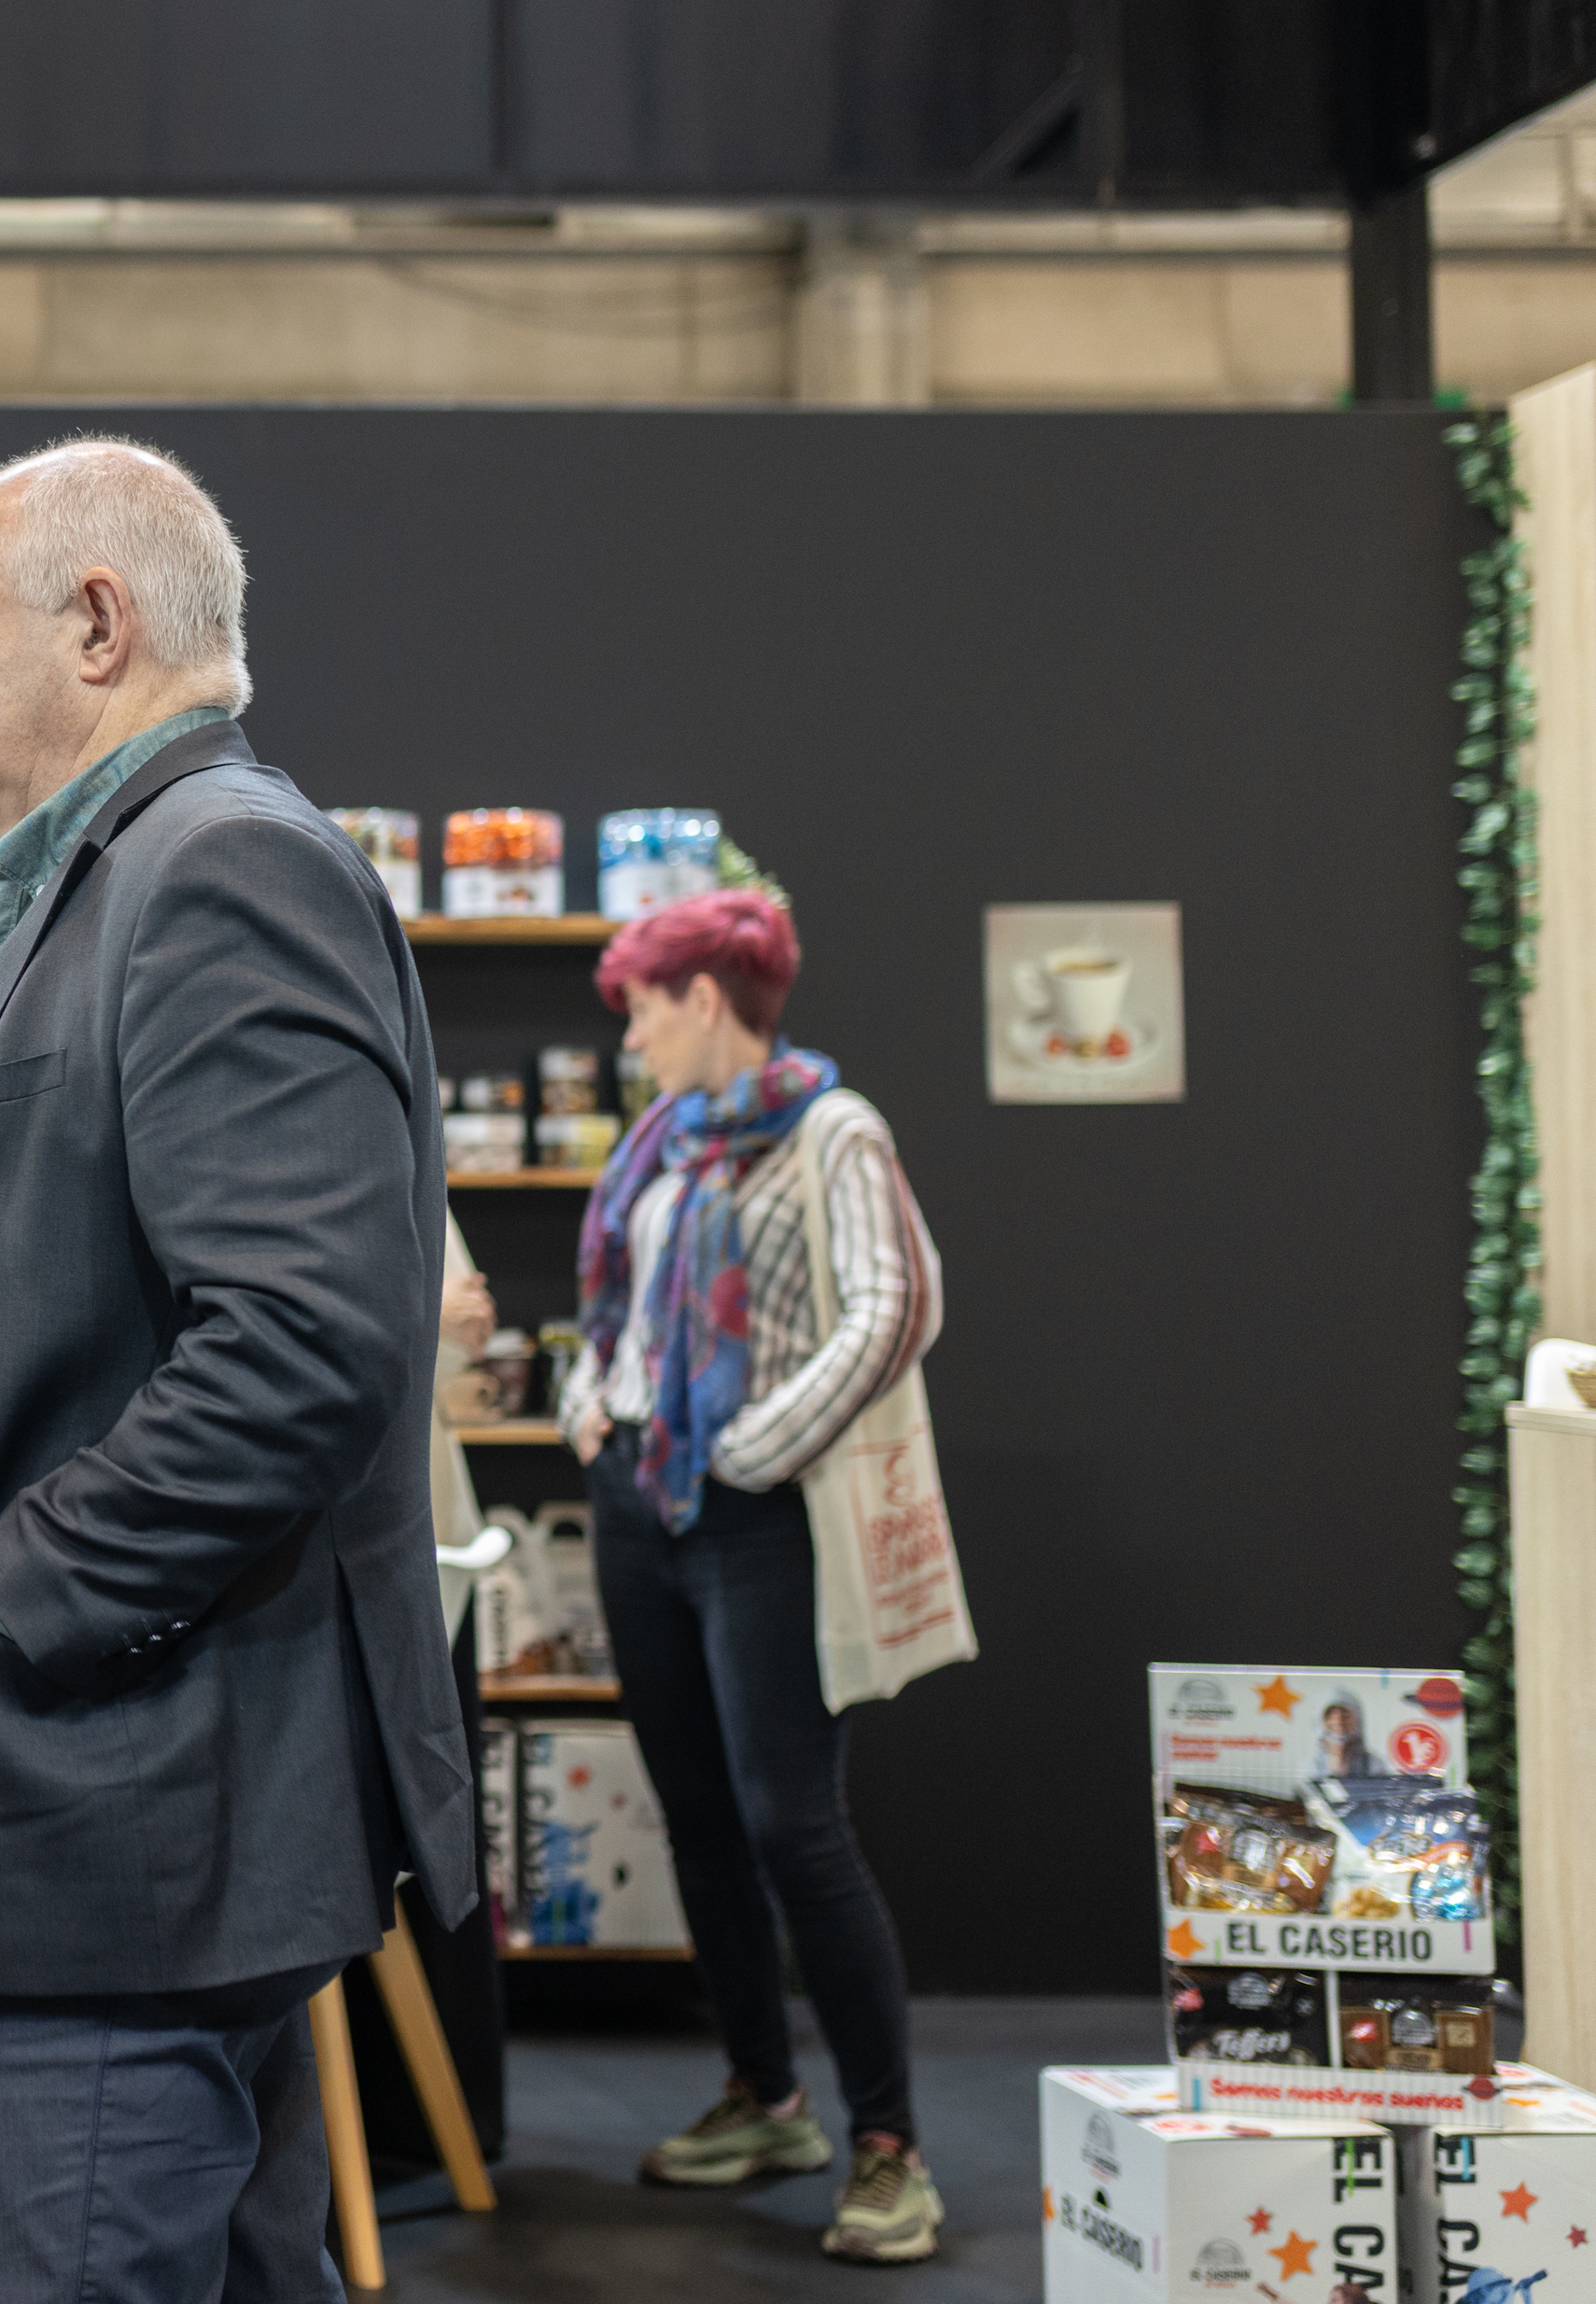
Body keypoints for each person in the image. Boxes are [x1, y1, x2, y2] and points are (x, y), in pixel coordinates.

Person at [0, 438, 477, 2304]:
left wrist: (8, 1601)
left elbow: (304, 1342)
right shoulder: (129, 872)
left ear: (95, 620)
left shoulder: (216, 869)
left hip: (107, 1834)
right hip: (117, 1836)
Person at [554, 887, 948, 2266]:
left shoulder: (833, 1131)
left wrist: (755, 1445)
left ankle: (891, 2147)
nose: (635, 1040)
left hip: (755, 1520)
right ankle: (767, 2097)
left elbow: (900, 1304)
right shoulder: (663, 1142)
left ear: (706, 998)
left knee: (795, 1824)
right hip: (641, 1508)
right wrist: (591, 1399)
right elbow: (616, 1299)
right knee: (702, 1820)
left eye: (645, 1010)